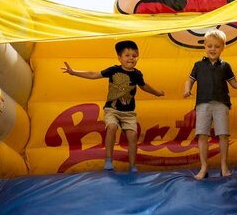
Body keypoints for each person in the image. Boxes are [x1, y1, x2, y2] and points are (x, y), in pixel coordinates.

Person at [63, 40, 164, 172]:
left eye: (134, 56)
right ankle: (108, 160)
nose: (131, 58)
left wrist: (157, 93)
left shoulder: (137, 74)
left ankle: (132, 165)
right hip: (112, 109)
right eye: (127, 55)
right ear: (120, 58)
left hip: (128, 113)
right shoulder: (113, 70)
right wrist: (74, 72)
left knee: (132, 136)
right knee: (111, 127)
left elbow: (144, 86)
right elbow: (94, 74)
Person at [182, 29, 237, 180]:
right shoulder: (198, 65)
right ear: (204, 46)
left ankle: (224, 165)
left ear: (223, 47)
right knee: (202, 135)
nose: (212, 49)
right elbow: (190, 80)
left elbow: (234, 84)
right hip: (203, 104)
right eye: (209, 46)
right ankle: (204, 167)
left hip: (221, 104)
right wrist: (187, 89)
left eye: (216, 46)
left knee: (223, 135)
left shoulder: (225, 66)